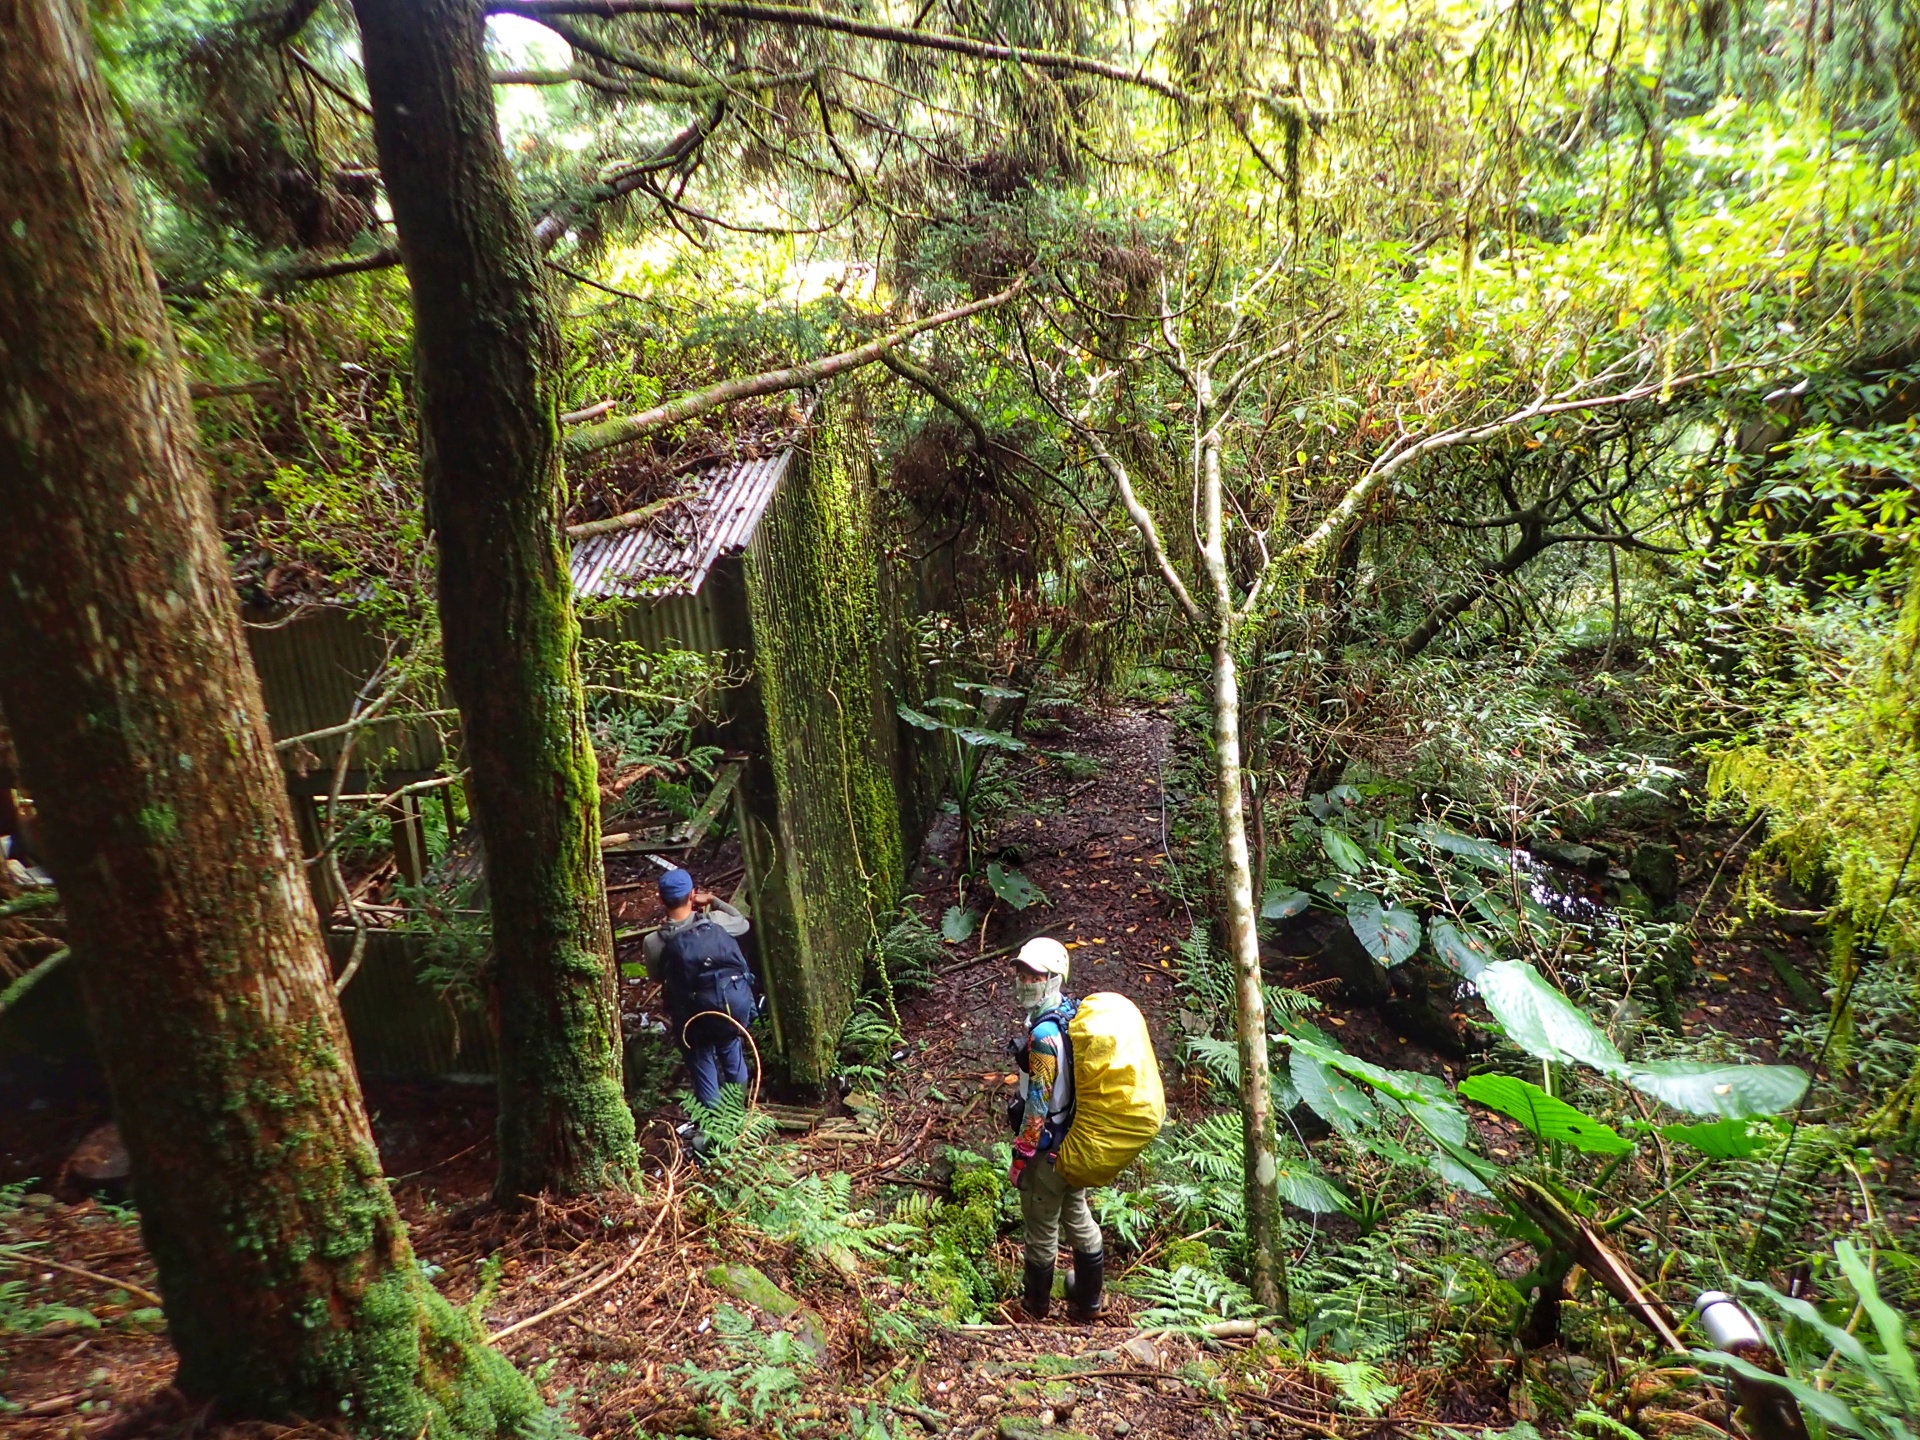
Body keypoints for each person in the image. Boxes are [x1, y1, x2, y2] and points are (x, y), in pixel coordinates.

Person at [1006, 936, 1104, 1321]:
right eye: (1021, 972)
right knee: (1077, 1215)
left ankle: (1036, 1308)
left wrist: (1022, 1155)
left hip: (1046, 1150)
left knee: (1042, 1225)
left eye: (1033, 975)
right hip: (1072, 1141)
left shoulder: (1044, 1038)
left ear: (1053, 978)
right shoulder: (1070, 1015)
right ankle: (1088, 1301)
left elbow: (1037, 1104)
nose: (1023, 980)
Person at [643, 867, 756, 1109]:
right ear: (692, 894)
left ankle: (715, 1131)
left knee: (702, 1062)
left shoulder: (654, 942)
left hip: (693, 1016)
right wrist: (714, 901)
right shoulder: (715, 921)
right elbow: (742, 922)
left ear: (661, 899)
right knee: (731, 1049)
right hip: (728, 1005)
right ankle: (738, 1117)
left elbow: (655, 976)